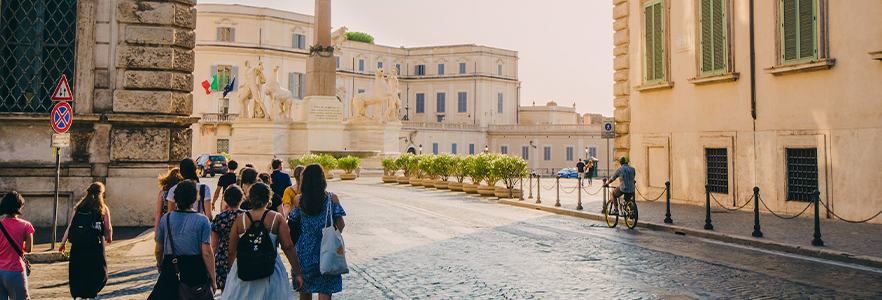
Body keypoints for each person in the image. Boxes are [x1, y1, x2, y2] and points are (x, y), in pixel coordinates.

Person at [221, 183, 303, 299]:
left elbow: (231, 251)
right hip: (270, 270)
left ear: (250, 198)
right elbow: (288, 246)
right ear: (269, 198)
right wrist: (297, 273)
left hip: (245, 270)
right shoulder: (276, 218)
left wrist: (232, 270)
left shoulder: (240, 220)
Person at [148, 181, 216, 299]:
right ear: (195, 199)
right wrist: (213, 279)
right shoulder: (202, 220)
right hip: (195, 270)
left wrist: (160, 265)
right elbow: (206, 252)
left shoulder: (166, 219)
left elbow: (159, 249)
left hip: (170, 269)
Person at [289, 164, 346, 299]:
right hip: (327, 252)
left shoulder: (298, 200)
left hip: (304, 253)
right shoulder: (332, 198)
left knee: (304, 294)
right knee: (325, 291)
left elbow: (293, 226)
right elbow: (341, 226)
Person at [59, 183, 113, 300]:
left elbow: (70, 226)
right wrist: (109, 236)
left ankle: (83, 296)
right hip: (94, 245)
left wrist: (63, 243)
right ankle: (88, 294)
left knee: (80, 270)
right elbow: (108, 227)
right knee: (98, 271)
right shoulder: (103, 209)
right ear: (101, 194)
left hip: (78, 246)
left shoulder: (79, 208)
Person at [210, 185, 245, 293]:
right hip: (242, 254)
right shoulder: (246, 217)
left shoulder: (219, 218)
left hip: (223, 256)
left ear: (225, 200)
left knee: (226, 291)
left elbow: (214, 245)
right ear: (241, 199)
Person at [0, 191, 33, 300]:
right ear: (19, 207)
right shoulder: (26, 226)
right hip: (14, 271)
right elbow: (28, 249)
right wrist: (20, 243)